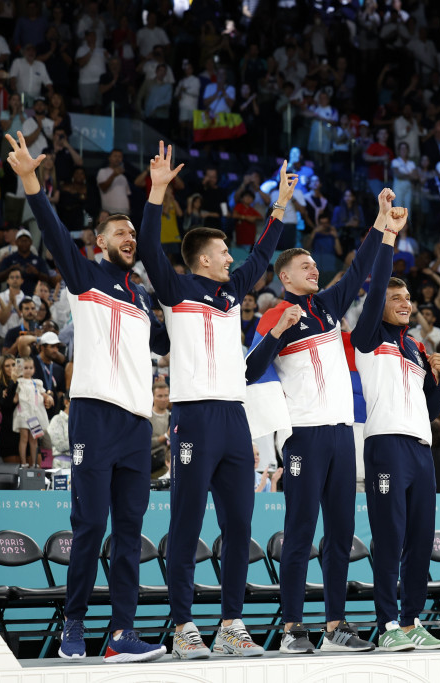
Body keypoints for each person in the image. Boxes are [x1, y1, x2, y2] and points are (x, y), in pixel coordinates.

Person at [6, 130, 169, 662]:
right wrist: (32, 183)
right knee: (90, 525)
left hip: (137, 425)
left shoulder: (144, 299)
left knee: (129, 531)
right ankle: (73, 626)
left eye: (132, 232)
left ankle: (121, 634)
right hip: (95, 417)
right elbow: (53, 234)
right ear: (101, 242)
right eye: (119, 231)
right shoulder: (86, 276)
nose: (129, 237)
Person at [137, 143, 294, 659]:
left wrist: (277, 212)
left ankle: (232, 623)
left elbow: (263, 257)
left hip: (235, 418)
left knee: (239, 526)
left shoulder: (231, 297)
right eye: (225, 252)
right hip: (194, 417)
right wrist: (157, 192)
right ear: (204, 257)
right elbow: (148, 249)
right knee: (186, 522)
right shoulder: (175, 288)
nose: (233, 258)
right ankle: (183, 626)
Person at [244, 190, 396, 655]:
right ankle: (292, 628)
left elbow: (358, 268)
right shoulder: (274, 314)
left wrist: (379, 222)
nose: (314, 270)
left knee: (341, 534)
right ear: (283, 276)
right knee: (301, 530)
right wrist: (276, 331)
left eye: (314, 265)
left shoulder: (329, 306)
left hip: (341, 434)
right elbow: (250, 370)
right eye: (304, 266)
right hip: (305, 437)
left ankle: (335, 624)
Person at [351, 204, 440, 653]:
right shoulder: (369, 337)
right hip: (386, 444)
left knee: (419, 540)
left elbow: (428, 407)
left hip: (419, 447)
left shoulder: (414, 347)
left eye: (409, 299)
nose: (407, 304)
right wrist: (389, 238)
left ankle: (410, 621)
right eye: (398, 298)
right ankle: (388, 624)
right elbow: (375, 295)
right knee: (389, 537)